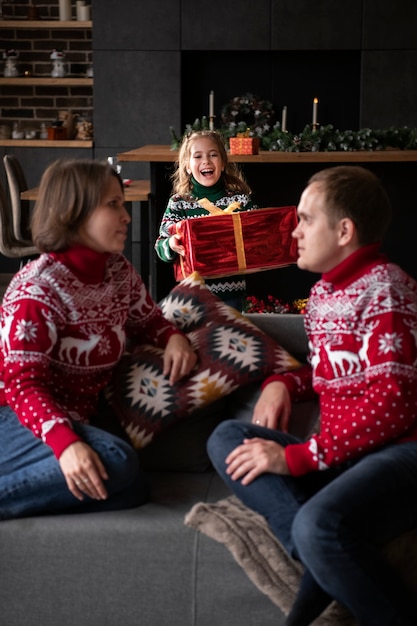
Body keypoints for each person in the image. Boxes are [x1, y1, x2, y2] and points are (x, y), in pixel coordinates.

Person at [207, 165, 417, 626]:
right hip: (345, 458)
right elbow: (331, 373)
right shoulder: (323, 294)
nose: (294, 231)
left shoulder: (387, 288)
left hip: (399, 455)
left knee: (315, 523)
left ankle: (319, 555)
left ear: (344, 231)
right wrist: (281, 382)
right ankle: (324, 556)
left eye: (305, 219)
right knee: (226, 436)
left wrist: (300, 459)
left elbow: (395, 403)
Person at [0, 158, 197, 520]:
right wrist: (67, 446)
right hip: (14, 415)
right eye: (113, 205)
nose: (126, 216)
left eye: (122, 204)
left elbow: (147, 320)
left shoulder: (117, 269)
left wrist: (173, 338)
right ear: (73, 212)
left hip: (77, 416)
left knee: (133, 486)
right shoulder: (37, 289)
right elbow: (20, 384)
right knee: (118, 463)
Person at [154, 130, 257, 310]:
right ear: (187, 166)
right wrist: (170, 243)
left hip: (233, 295)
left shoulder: (240, 200)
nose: (206, 161)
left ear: (223, 163)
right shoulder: (179, 203)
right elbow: (160, 245)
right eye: (198, 156)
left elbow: (258, 236)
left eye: (213, 155)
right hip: (194, 297)